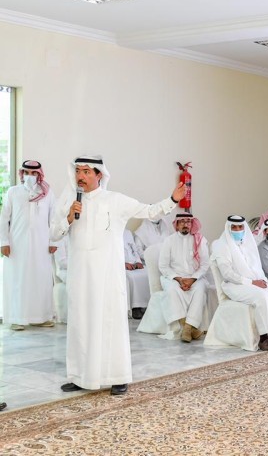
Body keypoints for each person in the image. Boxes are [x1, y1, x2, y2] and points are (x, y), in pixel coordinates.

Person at [50, 155, 185, 396]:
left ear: (99, 174)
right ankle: (80, 376)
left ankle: (117, 377)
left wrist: (173, 199)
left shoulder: (115, 200)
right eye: (78, 171)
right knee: (80, 324)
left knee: (110, 324)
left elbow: (149, 211)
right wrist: (69, 217)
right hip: (80, 276)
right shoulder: (69, 200)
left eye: (86, 171)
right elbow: (53, 234)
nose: (80, 176)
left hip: (108, 277)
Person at [210, 215, 268, 351]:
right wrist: (252, 282)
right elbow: (227, 274)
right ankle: (264, 339)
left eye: (240, 227)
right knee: (262, 297)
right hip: (235, 285)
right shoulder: (222, 246)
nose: (237, 230)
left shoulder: (248, 243)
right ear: (228, 228)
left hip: (256, 281)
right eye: (234, 227)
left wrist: (262, 281)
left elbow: (257, 268)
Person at [0, 160, 57, 331]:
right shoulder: (13, 192)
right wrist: (4, 242)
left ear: (39, 174)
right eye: (26, 173)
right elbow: (4, 218)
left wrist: (53, 241)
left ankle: (41, 317)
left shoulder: (47, 193)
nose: (30, 176)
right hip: (17, 244)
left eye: (33, 173)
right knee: (18, 280)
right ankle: (17, 318)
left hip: (41, 244)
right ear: (22, 174)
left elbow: (54, 218)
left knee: (41, 279)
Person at [159, 213, 209, 343]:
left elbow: (205, 265)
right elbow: (163, 266)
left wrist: (193, 279)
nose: (185, 224)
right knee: (172, 290)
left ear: (192, 224)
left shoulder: (200, 240)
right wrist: (178, 279)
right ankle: (189, 328)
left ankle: (187, 327)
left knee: (200, 290)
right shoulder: (169, 241)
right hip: (174, 277)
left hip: (195, 277)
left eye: (188, 221)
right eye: (182, 221)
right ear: (177, 224)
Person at [123, 228, 149, 319]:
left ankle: (147, 306)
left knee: (148, 274)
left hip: (134, 263)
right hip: (121, 266)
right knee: (132, 278)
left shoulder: (127, 232)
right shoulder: (110, 233)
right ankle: (135, 308)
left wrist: (138, 261)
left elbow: (134, 249)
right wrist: (123, 264)